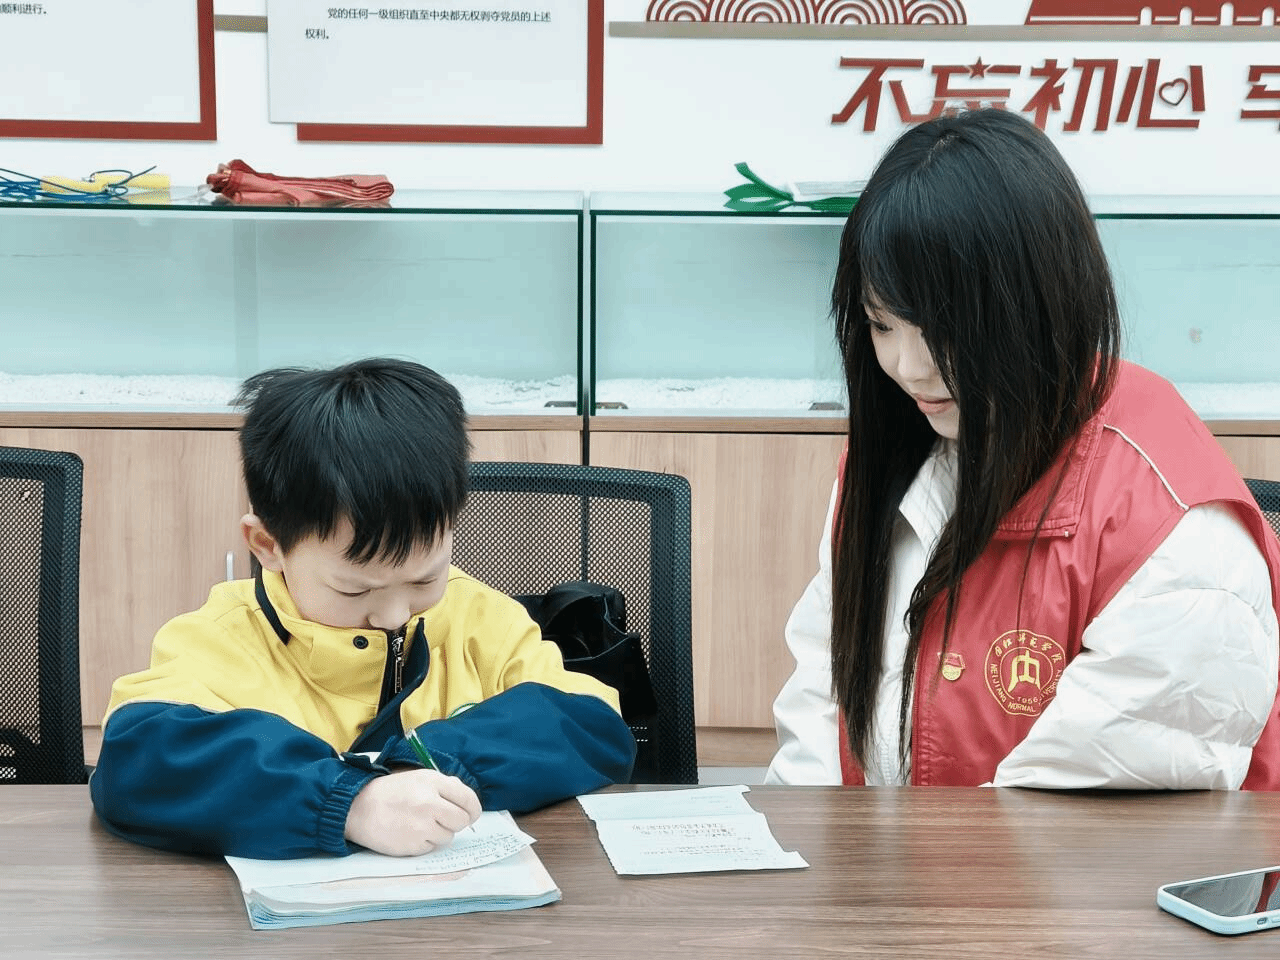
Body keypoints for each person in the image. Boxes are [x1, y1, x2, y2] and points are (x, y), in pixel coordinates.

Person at [766, 108, 1280, 790]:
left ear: (1036, 305)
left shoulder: (1171, 530)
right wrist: (803, 850)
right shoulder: (896, 449)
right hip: (897, 862)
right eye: (882, 325)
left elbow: (1080, 831)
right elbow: (820, 717)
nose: (909, 368)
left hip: (1078, 864)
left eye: (942, 330)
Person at [90, 358, 635, 859]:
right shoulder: (222, 638)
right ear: (267, 545)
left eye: (424, 578)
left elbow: (589, 723)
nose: (395, 615)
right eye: (355, 591)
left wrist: (425, 766)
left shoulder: (479, 616)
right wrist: (350, 800)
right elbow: (138, 759)